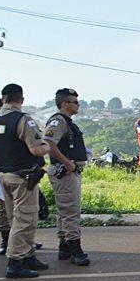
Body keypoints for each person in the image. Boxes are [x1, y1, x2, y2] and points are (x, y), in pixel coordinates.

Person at [0, 83, 51, 278]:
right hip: (24, 177)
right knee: (25, 219)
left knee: (16, 218)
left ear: (3, 99)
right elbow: (36, 149)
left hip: (4, 175)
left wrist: (1, 171)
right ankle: (15, 262)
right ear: (21, 100)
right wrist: (46, 145)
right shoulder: (23, 120)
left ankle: (28, 255)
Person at [43, 88, 90, 265]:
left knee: (64, 211)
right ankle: (75, 248)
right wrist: (67, 163)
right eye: (74, 102)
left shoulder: (67, 122)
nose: (77, 105)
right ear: (64, 104)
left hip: (68, 171)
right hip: (65, 171)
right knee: (71, 211)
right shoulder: (58, 121)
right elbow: (48, 142)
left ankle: (64, 246)